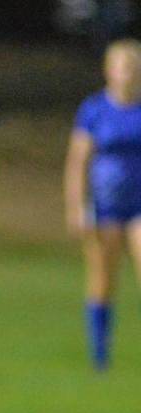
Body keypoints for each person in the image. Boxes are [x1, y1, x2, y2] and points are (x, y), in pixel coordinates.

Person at [64, 37, 141, 371]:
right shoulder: (94, 110)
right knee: (102, 279)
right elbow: (78, 161)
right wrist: (76, 206)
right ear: (109, 71)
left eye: (135, 67)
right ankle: (100, 355)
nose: (130, 73)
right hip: (105, 206)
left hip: (139, 205)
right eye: (125, 66)